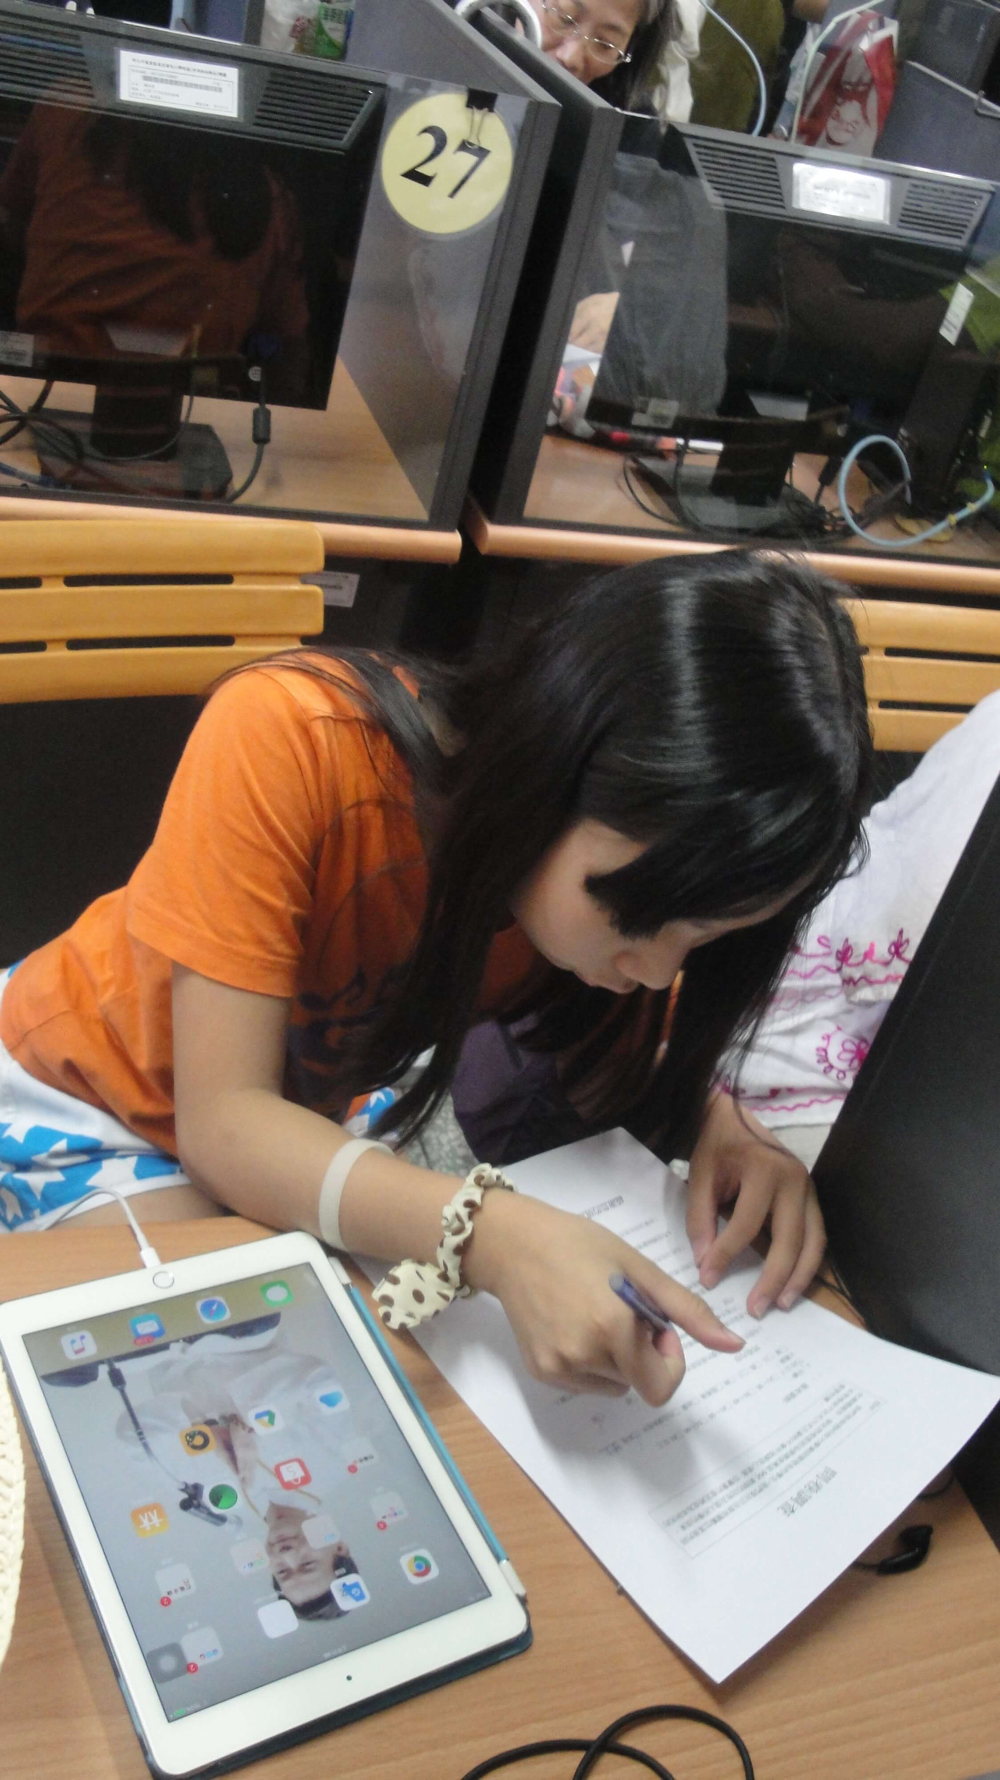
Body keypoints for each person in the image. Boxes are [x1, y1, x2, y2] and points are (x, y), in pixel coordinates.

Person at [0, 552, 872, 1407]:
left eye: (707, 939)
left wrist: (718, 1123)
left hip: (309, 1110)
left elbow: (619, 1056)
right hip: (87, 1101)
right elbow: (225, 1125)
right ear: (552, 762)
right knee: (207, 1377)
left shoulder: (580, 888)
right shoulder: (294, 733)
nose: (653, 974)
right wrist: (489, 1235)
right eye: (635, 917)